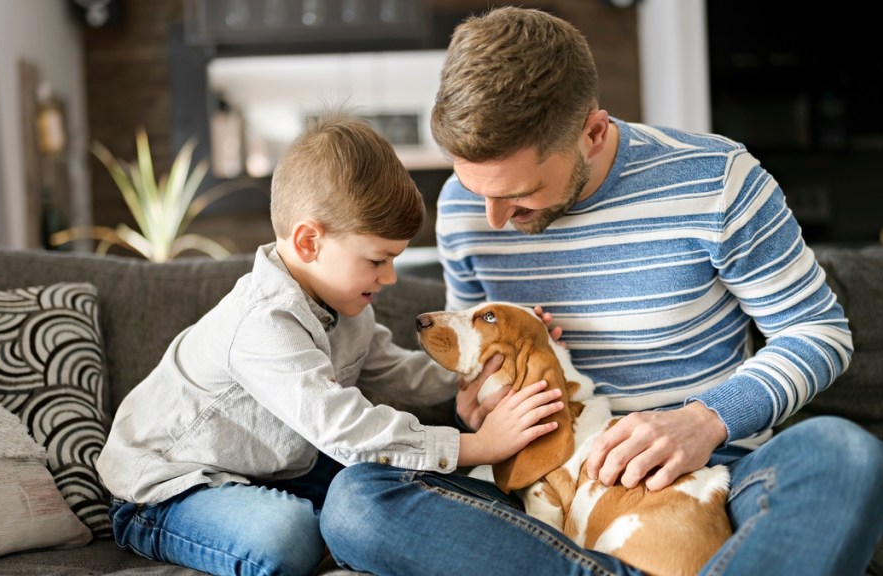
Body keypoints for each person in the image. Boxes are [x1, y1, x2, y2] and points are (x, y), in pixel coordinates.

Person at [320, 7, 883, 576]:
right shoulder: (463, 209)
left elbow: (817, 333)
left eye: (520, 194)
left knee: (848, 458)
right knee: (358, 501)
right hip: (541, 478)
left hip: (708, 475)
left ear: (592, 133)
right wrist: (472, 406)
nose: (493, 218)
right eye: (477, 190)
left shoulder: (718, 180)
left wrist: (703, 422)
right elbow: (476, 364)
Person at [95, 114, 566, 576]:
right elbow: (345, 428)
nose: (390, 277)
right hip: (168, 488)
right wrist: (477, 446)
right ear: (308, 242)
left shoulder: (346, 305)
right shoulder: (262, 323)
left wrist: (488, 362)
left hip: (276, 471)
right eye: (378, 260)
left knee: (405, 479)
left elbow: (398, 374)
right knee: (288, 536)